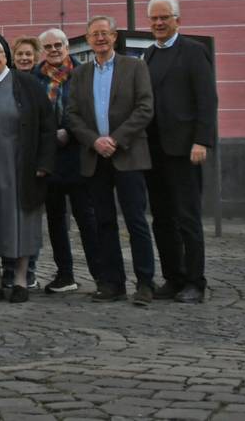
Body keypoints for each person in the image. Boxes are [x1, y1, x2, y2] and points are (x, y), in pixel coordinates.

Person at [66, 15, 156, 306]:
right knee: (103, 222)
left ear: (115, 36)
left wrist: (115, 139)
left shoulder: (135, 67)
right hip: (95, 157)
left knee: (136, 222)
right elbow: (72, 115)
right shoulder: (80, 74)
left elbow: (145, 108)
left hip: (127, 155)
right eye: (94, 34)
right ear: (88, 40)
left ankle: (145, 283)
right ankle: (113, 283)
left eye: (105, 33)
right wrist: (94, 140)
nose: (100, 38)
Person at [144, 0, 217, 305]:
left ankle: (195, 282)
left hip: (185, 149)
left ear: (178, 20)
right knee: (162, 218)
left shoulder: (193, 51)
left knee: (187, 218)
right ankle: (173, 277)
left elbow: (207, 99)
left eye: (165, 18)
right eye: (154, 18)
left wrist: (202, 140)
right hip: (154, 150)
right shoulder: (149, 54)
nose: (159, 23)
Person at [0, 35, 56, 304]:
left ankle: (20, 280)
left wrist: (44, 163)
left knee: (23, 223)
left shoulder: (26, 84)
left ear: (5, 56)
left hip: (21, 167)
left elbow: (47, 126)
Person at [35, 27, 102, 294]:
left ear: (66, 47)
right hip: (50, 157)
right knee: (55, 219)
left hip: (78, 154)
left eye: (58, 45)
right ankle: (65, 274)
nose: (53, 50)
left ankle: (101, 276)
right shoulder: (36, 77)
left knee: (87, 218)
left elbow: (92, 110)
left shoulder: (83, 73)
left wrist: (70, 132)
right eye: (48, 47)